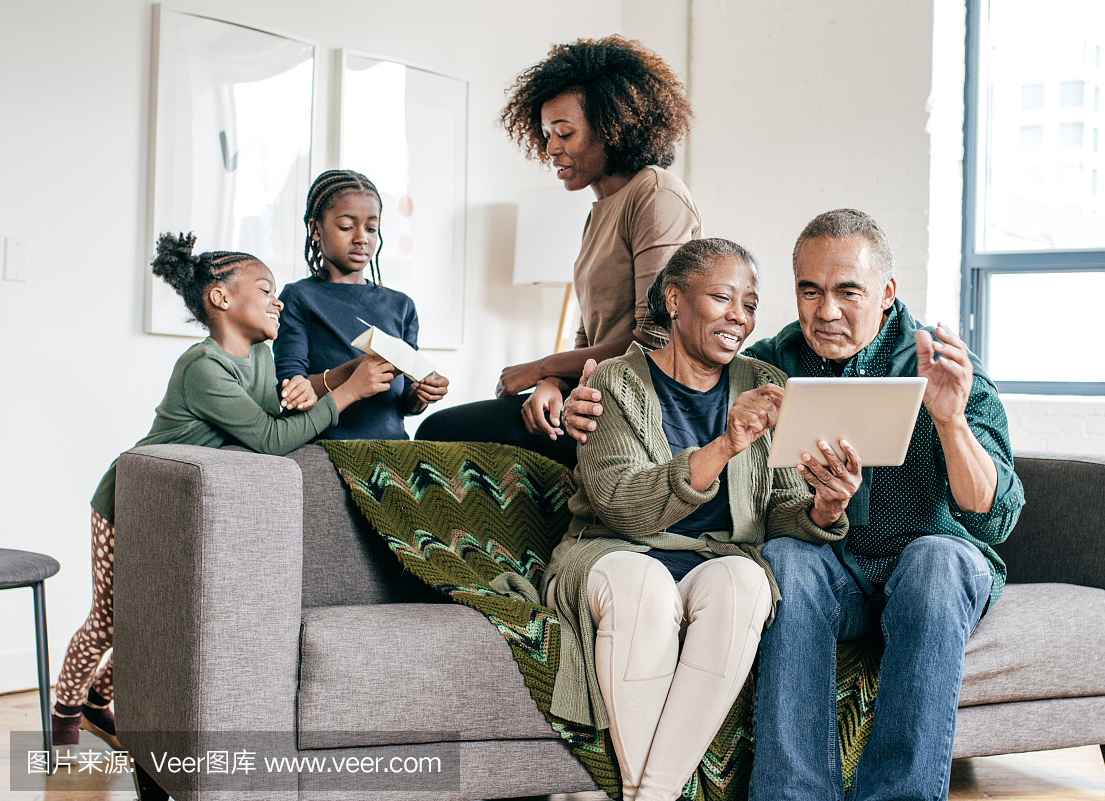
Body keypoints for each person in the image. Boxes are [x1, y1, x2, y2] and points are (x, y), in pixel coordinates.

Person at [564, 209, 1026, 800]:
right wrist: (558, 395)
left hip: (929, 564)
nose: (826, 311)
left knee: (935, 563)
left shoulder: (937, 365)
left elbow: (996, 513)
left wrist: (951, 421)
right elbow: (681, 366)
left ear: (886, 292)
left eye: (847, 292)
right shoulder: (772, 361)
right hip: (836, 567)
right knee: (784, 560)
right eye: (810, 291)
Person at [50, 233, 394, 763]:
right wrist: (348, 394)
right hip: (129, 502)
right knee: (112, 618)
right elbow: (268, 440)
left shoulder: (261, 354)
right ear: (221, 298)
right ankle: (66, 715)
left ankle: (100, 699)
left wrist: (343, 376)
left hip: (179, 510)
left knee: (156, 615)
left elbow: (281, 409)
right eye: (265, 288)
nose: (278, 300)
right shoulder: (202, 366)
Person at [543, 238, 849, 801]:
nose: (740, 316)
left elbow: (779, 510)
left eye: (751, 304)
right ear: (674, 299)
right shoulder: (615, 382)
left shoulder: (765, 385)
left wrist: (824, 507)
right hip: (618, 553)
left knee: (747, 582)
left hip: (713, 556)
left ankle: (646, 796)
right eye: (723, 297)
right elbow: (622, 508)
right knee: (645, 588)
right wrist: (726, 444)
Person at [416, 35, 700, 466]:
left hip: (643, 411)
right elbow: (589, 336)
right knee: (444, 430)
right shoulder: (598, 211)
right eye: (546, 134)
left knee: (438, 431)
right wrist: (549, 383)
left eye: (564, 133)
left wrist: (538, 367)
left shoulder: (657, 195)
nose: (550, 149)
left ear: (611, 126)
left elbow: (656, 336)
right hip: (594, 395)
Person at [273, 169, 449, 440]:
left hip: (394, 448)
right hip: (327, 445)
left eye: (371, 228)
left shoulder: (401, 305)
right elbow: (290, 390)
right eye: (346, 226)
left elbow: (403, 402)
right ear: (315, 229)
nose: (361, 238)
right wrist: (353, 372)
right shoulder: (298, 297)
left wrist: (421, 395)